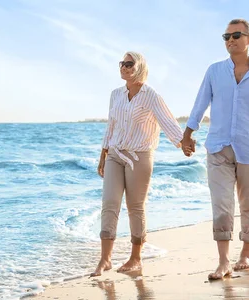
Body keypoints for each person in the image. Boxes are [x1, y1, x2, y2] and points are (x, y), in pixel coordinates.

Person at [181, 19, 249, 280]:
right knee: (222, 205)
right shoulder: (214, 71)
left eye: (236, 35)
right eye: (226, 36)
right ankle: (224, 261)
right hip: (218, 147)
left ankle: (246, 253)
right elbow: (199, 104)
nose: (230, 40)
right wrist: (188, 133)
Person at [92, 51, 184, 277]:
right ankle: (105, 259)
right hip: (114, 154)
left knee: (135, 206)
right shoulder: (115, 94)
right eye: (121, 63)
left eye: (129, 63)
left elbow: (167, 122)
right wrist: (103, 154)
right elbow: (111, 126)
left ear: (140, 66)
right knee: (110, 203)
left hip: (140, 156)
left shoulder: (151, 95)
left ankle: (135, 259)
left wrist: (184, 143)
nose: (123, 67)